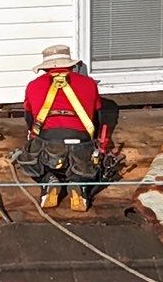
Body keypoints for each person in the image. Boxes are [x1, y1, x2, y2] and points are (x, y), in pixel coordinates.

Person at [20, 44, 111, 211]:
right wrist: (93, 140)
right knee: (91, 166)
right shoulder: (89, 84)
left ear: (44, 68)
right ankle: (80, 185)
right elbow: (97, 118)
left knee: (28, 159)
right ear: (71, 65)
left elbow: (29, 120)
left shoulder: (33, 86)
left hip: (48, 141)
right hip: (81, 141)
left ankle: (48, 180)